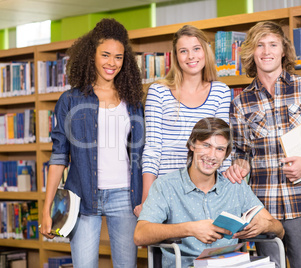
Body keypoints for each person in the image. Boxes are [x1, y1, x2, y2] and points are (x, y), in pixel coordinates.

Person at [225, 21, 301, 268]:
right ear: (251, 52)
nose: (266, 51)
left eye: (272, 45)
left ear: (283, 51)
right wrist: (239, 166)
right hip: (262, 207)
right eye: (260, 45)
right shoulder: (240, 102)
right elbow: (241, 152)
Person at [39, 18, 144, 268]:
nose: (112, 63)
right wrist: (47, 209)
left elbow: (141, 152)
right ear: (91, 55)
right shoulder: (70, 101)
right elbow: (58, 157)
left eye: (118, 57)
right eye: (105, 55)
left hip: (125, 195)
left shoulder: (133, 101)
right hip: (82, 196)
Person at [134, 117, 284, 268]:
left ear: (226, 154)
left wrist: (265, 226)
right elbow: (140, 235)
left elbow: (279, 230)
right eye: (206, 145)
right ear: (192, 145)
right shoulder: (166, 186)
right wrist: (190, 229)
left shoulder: (235, 186)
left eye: (220, 149)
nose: (212, 155)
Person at [134, 25, 231, 217]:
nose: (191, 56)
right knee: (170, 246)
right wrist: (147, 199)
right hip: (167, 190)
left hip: (205, 190)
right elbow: (153, 148)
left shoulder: (220, 91)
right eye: (183, 51)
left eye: (196, 49)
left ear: (205, 51)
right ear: (176, 57)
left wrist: (227, 193)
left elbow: (221, 147)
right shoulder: (158, 92)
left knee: (210, 245)